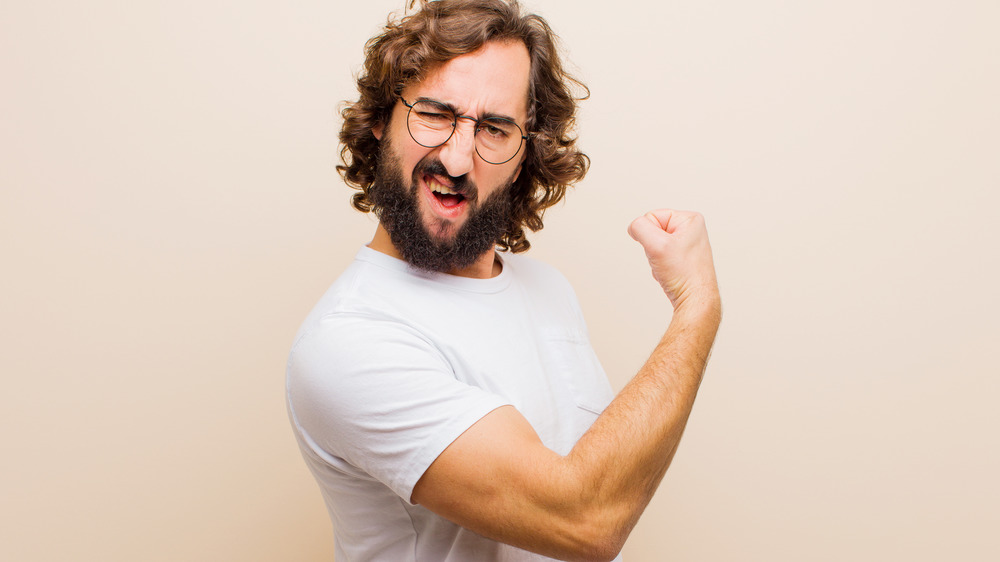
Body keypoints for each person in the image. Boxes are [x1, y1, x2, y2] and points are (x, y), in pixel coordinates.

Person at [285, 1, 721, 560]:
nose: (459, 158)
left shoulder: (548, 290)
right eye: (435, 113)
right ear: (380, 119)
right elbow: (584, 519)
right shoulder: (347, 341)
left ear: (523, 156)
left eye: (494, 128)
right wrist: (697, 305)